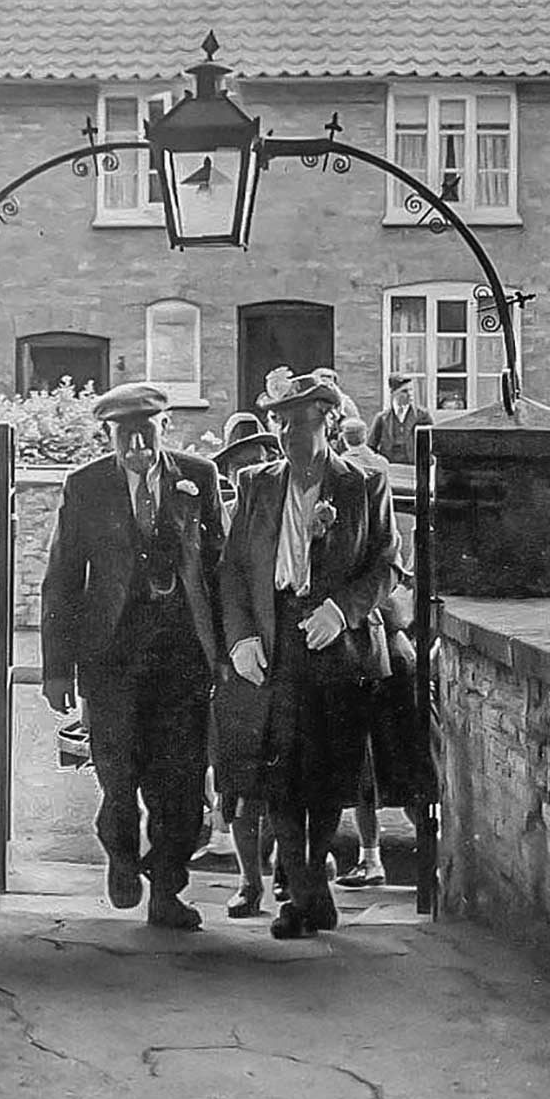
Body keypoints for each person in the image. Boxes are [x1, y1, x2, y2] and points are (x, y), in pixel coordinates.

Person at [218, 367, 402, 939]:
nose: (287, 435)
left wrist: (341, 611)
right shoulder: (256, 485)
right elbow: (232, 572)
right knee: (276, 777)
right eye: (280, 422)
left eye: (300, 422)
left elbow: (386, 564)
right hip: (274, 645)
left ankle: (307, 892)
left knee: (326, 775)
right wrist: (242, 637)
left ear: (328, 422)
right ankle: (305, 891)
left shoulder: (363, 485)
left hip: (335, 649)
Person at [41, 381, 225, 931]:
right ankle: (122, 856)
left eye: (147, 432)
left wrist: (227, 648)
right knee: (118, 777)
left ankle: (167, 889)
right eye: (125, 435)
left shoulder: (199, 478)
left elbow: (219, 567)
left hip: (182, 656)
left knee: (183, 781)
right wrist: (57, 668)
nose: (137, 446)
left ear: (165, 429)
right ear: (109, 435)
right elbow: (62, 581)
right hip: (112, 657)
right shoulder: (86, 487)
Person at [208, 412, 286, 918]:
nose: (252, 467)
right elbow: (220, 582)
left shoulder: (285, 509)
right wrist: (234, 645)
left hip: (284, 656)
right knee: (239, 782)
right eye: (242, 461)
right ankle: (248, 880)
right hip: (236, 661)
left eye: (260, 456)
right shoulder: (221, 517)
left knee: (284, 775)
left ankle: (283, 872)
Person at [367, 375, 434, 466]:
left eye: (411, 390)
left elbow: (434, 443)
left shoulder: (422, 416)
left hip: (415, 467)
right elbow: (370, 446)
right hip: (391, 467)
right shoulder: (382, 418)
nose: (410, 394)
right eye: (404, 391)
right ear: (394, 393)